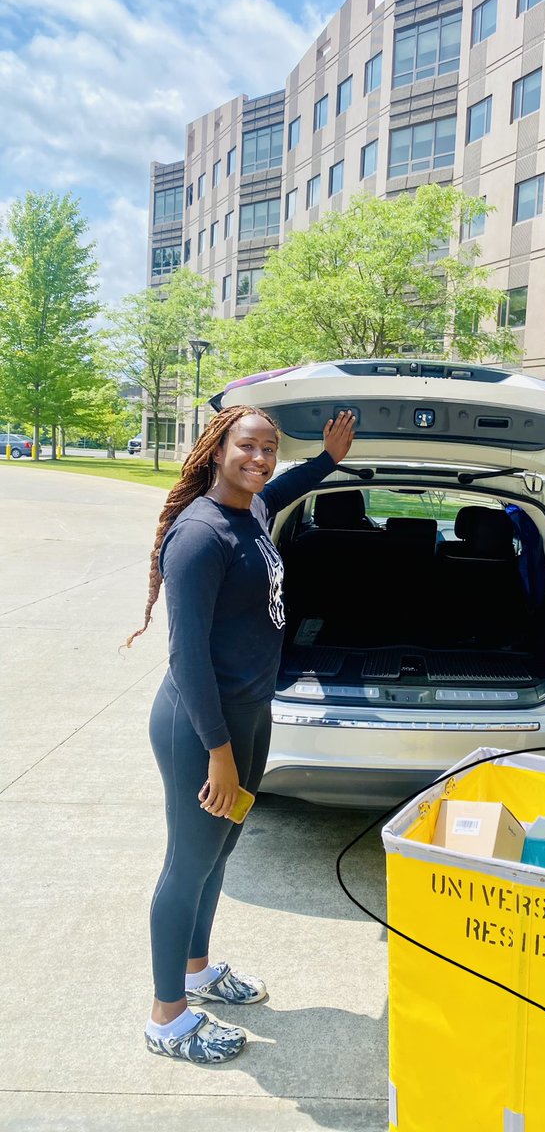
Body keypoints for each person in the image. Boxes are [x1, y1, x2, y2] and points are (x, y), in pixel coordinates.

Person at [127, 404, 355, 1063]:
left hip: (249, 716)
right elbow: (187, 658)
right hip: (202, 727)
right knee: (187, 862)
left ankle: (195, 972)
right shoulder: (199, 534)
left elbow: (281, 490)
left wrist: (327, 461)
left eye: (269, 448)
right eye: (247, 446)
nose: (260, 459)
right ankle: (167, 1018)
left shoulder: (250, 508)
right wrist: (219, 755)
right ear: (216, 448)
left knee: (219, 854)